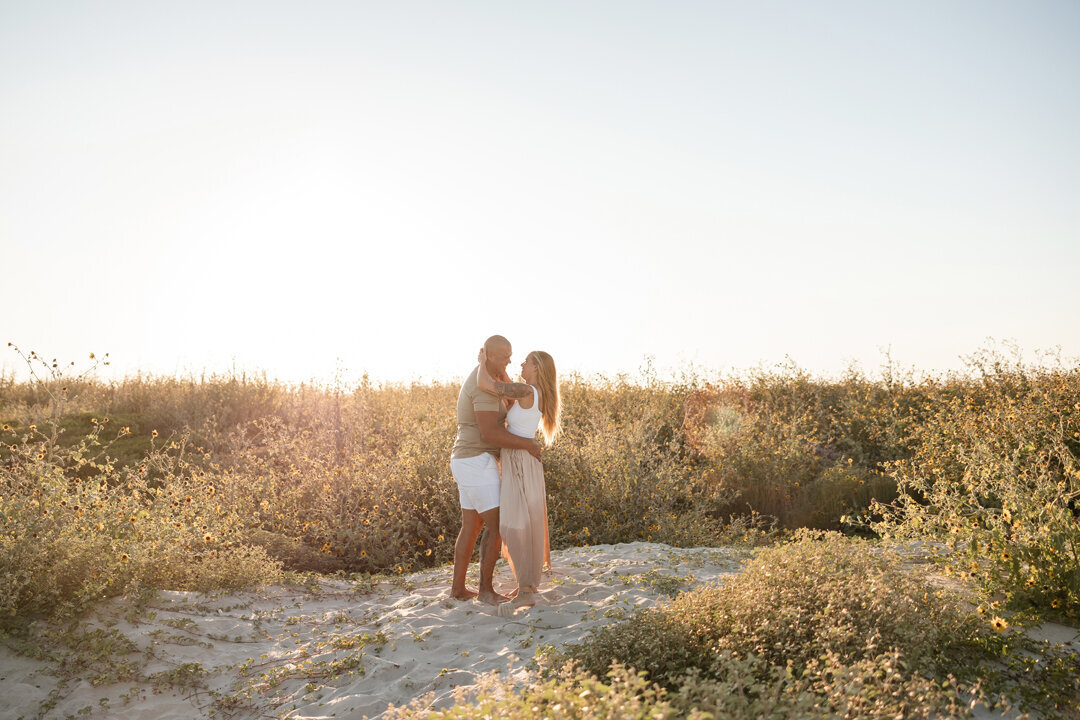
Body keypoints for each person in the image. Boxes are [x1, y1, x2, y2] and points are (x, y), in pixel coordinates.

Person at [449, 335, 542, 605]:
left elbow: (509, 395)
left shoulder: (490, 378)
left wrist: (499, 369)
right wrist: (528, 444)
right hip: (475, 460)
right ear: (488, 354)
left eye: (511, 355)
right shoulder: (482, 388)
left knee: (473, 524)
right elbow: (490, 432)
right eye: (505, 356)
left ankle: (458, 589)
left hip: (469, 461)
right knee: (497, 524)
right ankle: (486, 591)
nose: (510, 360)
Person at [476, 346, 561, 609]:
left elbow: (484, 384)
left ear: (536, 368)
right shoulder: (536, 393)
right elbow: (503, 386)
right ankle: (527, 585)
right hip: (521, 459)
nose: (520, 366)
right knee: (525, 519)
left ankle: (526, 589)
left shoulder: (527, 391)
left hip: (520, 460)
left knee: (515, 521)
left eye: (525, 363)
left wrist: (482, 360)